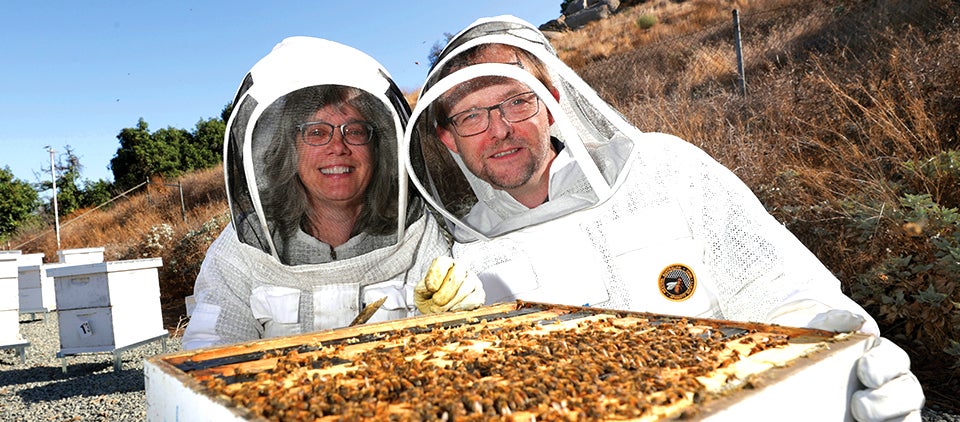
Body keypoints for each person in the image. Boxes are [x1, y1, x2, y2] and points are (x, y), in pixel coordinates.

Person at [403, 16, 924, 422]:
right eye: (472, 115)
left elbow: (781, 286)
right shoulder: (455, 253)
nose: (499, 130)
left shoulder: (663, 170)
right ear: (448, 139)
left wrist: (848, 360)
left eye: (517, 102)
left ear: (553, 104)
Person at [181, 36, 482, 350]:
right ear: (290, 150)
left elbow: (449, 346)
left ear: (377, 146)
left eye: (354, 131)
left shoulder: (418, 236)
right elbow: (208, 353)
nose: (337, 147)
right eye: (316, 132)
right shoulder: (238, 252)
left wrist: (457, 310)